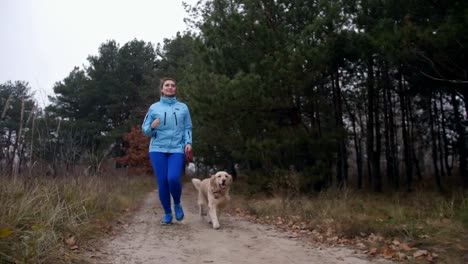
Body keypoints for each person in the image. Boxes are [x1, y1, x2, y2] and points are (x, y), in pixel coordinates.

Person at [142, 78, 193, 224]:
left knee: (173, 178)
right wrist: (152, 126)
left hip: (177, 148)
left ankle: (177, 204)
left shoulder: (183, 107)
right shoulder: (154, 108)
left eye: (173, 85)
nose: (170, 87)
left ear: (175, 89)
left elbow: (187, 128)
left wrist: (188, 143)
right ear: (162, 89)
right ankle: (167, 213)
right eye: (167, 85)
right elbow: (145, 130)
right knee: (162, 182)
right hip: (157, 149)